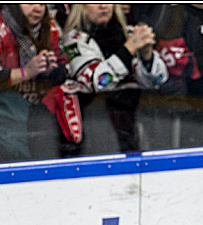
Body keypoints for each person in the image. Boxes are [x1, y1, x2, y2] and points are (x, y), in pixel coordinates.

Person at [61, 3, 168, 155]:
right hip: (94, 124)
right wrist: (129, 49)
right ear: (81, 7)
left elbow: (159, 80)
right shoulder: (73, 41)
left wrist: (147, 55)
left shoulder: (129, 33)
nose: (103, 6)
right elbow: (98, 81)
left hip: (135, 123)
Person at [0, 3, 71, 161]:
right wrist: (26, 72)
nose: (37, 8)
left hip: (39, 111)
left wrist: (50, 71)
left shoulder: (51, 27)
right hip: (1, 114)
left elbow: (65, 68)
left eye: (41, 4)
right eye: (30, 3)